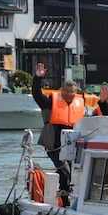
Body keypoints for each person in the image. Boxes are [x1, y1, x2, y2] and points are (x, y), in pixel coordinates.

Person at [31, 62, 85, 203]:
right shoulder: (50, 102)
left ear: (75, 92)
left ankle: (62, 198)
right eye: (66, 91)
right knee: (66, 172)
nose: (69, 94)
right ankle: (64, 198)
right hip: (54, 145)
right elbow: (37, 94)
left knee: (70, 173)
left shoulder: (79, 105)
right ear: (62, 91)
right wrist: (38, 78)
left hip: (73, 146)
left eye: (71, 91)